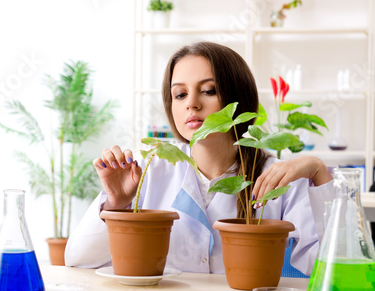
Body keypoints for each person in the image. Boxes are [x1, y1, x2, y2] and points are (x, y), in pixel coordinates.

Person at [65, 41, 333, 275]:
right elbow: (78, 261)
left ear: (238, 98)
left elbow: (326, 270)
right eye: (180, 94)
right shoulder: (147, 166)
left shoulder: (279, 177)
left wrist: (319, 173)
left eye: (208, 90)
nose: (191, 103)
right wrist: (116, 203)